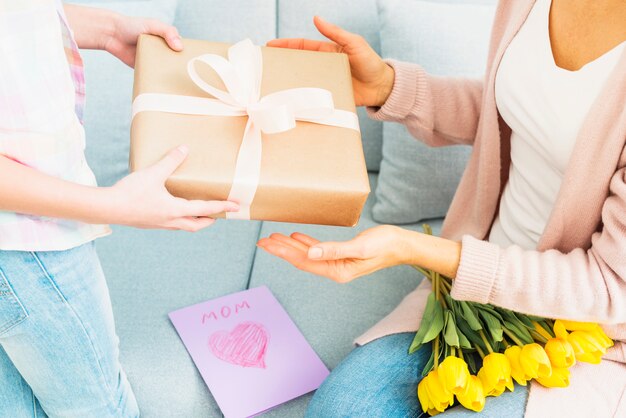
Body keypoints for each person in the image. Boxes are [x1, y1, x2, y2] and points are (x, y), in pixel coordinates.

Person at [257, 0, 626, 416]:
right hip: (465, 293)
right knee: (339, 411)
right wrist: (388, 86)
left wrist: (417, 250)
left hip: (582, 332)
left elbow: (609, 284)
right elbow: (517, 111)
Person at [0, 1, 239, 416]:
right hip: (28, 245)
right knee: (99, 407)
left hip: (29, 232)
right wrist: (111, 205)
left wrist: (108, 30)